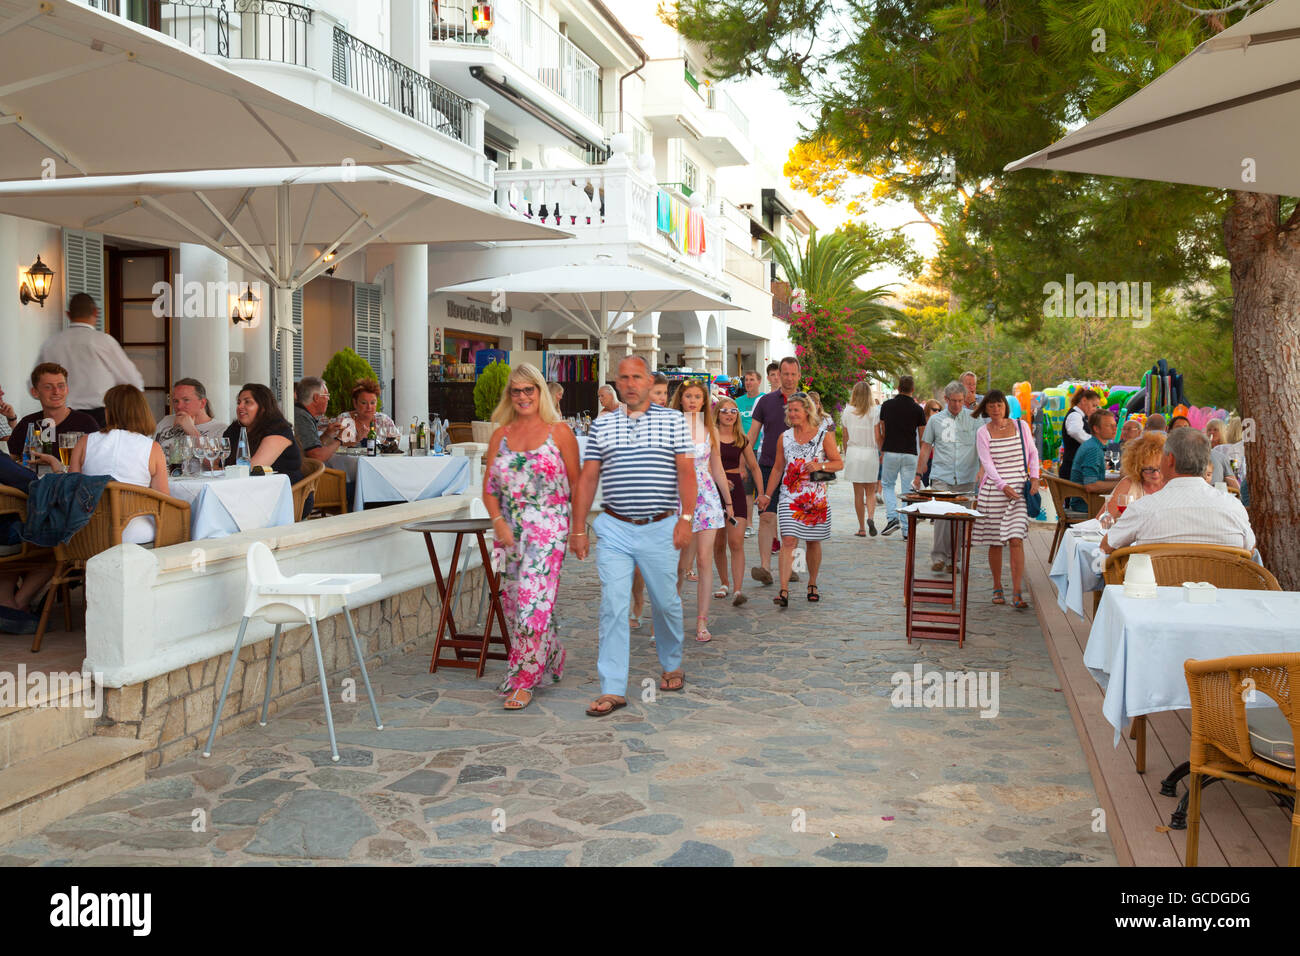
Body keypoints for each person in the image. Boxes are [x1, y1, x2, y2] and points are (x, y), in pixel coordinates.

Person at [570, 356, 696, 717]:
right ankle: (613, 688)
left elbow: (686, 472)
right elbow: (588, 478)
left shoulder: (673, 420)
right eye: (623, 378)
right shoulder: (602, 425)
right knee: (613, 604)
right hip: (615, 528)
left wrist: (685, 518)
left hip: (660, 526)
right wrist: (578, 528)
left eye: (636, 377)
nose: (629, 384)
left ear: (648, 381)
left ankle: (671, 662)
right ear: (617, 383)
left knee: (665, 602)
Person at [482, 362, 579, 711]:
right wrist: (498, 522)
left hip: (549, 527)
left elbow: (578, 484)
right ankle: (551, 651)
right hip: (508, 531)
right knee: (512, 604)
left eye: (529, 389)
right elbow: (489, 489)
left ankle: (523, 679)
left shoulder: (560, 432)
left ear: (540, 392)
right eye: (516, 390)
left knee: (531, 603)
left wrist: (578, 530)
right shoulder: (500, 435)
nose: (523, 396)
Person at [1101, 428, 1254, 553]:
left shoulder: (1143, 508)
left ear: (1170, 460)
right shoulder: (1233, 507)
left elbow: (1106, 546)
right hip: (1221, 588)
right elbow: (1250, 549)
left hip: (1159, 588)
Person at [49, 384, 168, 545]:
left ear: (109, 411)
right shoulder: (152, 448)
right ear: (142, 412)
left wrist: (57, 470)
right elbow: (163, 501)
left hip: (86, 531)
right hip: (132, 532)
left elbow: (71, 489)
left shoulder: (85, 442)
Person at [758, 392, 843, 606]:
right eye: (790, 410)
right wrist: (768, 495)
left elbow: (838, 463)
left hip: (815, 497)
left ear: (807, 411)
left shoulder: (824, 435)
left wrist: (820, 466)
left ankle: (812, 582)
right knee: (788, 540)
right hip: (789, 495)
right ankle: (784, 589)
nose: (792, 414)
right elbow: (778, 469)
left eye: (796, 410)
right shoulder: (784, 437)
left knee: (813, 542)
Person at [670, 380, 731, 642]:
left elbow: (716, 467)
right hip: (678, 497)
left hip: (706, 498)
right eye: (688, 396)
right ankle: (668, 616)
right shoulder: (670, 428)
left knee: (705, 560)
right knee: (680, 565)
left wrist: (728, 503)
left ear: (705, 401)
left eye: (698, 396)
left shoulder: (710, 430)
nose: (693, 400)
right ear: (680, 399)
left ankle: (702, 621)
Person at [973, 389, 1040, 610]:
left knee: (1016, 539)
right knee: (995, 541)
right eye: (991, 405)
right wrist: (1002, 485)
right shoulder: (983, 432)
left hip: (1020, 488)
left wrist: (1036, 477)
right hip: (995, 489)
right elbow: (987, 462)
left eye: (999, 404)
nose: (995, 409)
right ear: (985, 408)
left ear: (1005, 406)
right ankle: (996, 585)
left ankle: (1018, 590)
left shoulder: (1021, 426)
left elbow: (1032, 453)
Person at [38, 293, 144, 427]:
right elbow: (134, 381)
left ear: (68, 314)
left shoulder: (51, 343)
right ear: (96, 312)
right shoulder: (103, 341)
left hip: (61, 415)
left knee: (64, 447)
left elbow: (34, 384)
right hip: (99, 417)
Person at [912, 381, 981, 570]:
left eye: (960, 401)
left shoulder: (975, 419)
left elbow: (983, 445)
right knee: (941, 517)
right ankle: (939, 558)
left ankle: (953, 559)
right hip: (942, 476)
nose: (957, 405)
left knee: (960, 519)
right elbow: (926, 447)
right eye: (953, 401)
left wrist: (983, 471)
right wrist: (918, 474)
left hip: (966, 477)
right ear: (946, 399)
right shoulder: (935, 420)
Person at [747, 356, 802, 585]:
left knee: (796, 521)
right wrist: (744, 459)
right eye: (784, 373)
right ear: (778, 374)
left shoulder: (807, 402)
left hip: (797, 471)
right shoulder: (766, 402)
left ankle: (795, 566)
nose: (788, 378)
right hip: (768, 466)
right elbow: (752, 433)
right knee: (767, 516)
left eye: (792, 374)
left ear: (799, 376)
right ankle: (765, 567)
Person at [711, 396, 763, 607]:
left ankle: (738, 589)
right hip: (714, 491)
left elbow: (754, 467)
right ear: (717, 414)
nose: (730, 414)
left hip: (737, 490)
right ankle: (724, 582)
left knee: (736, 542)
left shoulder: (742, 439)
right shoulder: (710, 437)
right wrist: (719, 480)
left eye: (733, 411)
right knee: (718, 542)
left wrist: (762, 493)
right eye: (725, 411)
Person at [5, 363, 99, 459]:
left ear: (67, 389)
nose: (56, 392)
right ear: (35, 392)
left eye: (61, 386)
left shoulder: (86, 423)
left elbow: (98, 462)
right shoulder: (27, 423)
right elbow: (10, 460)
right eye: (48, 387)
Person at [0, 456, 50, 634]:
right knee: (55, 542)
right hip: (4, 536)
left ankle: (7, 604)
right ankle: (17, 606)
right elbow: (30, 481)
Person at [877, 375, 926, 540]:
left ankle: (892, 518)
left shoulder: (887, 405)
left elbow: (882, 430)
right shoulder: (918, 410)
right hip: (910, 454)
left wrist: (882, 450)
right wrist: (922, 459)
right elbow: (922, 436)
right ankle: (906, 530)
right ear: (913, 389)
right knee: (907, 492)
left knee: (888, 485)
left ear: (898, 388)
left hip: (891, 450)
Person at [222, 384, 304, 484]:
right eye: (239, 402)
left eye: (247, 402)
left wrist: (224, 470)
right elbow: (217, 463)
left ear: (263, 407)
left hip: (282, 492)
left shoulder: (278, 430)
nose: (240, 407)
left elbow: (253, 468)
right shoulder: (235, 429)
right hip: (244, 487)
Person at [843, 381, 882, 537]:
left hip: (854, 452)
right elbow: (877, 435)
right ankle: (871, 517)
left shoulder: (847, 412)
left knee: (858, 494)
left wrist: (847, 453)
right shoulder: (874, 412)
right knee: (871, 492)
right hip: (870, 452)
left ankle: (861, 528)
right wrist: (881, 451)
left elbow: (845, 436)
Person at [1100, 431, 1166, 522]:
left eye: (1159, 468)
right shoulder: (1128, 484)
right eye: (1149, 469)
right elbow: (1102, 521)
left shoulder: (1173, 485)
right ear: (1137, 467)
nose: (1156, 474)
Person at [154, 378, 227, 453]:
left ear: (202, 403)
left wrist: (191, 430)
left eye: (186, 400)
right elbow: (148, 451)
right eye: (176, 401)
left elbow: (214, 461)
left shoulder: (220, 429)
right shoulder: (166, 420)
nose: (179, 406)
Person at [292, 376, 345, 463]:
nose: (328, 399)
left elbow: (310, 447)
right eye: (327, 395)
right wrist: (340, 440)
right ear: (316, 397)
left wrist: (327, 434)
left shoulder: (302, 413)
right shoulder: (301, 417)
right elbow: (316, 456)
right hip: (301, 474)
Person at [1070, 408, 1119, 495]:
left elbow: (1097, 478)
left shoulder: (1093, 444)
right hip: (1087, 504)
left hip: (1091, 501)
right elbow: (1091, 485)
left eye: (1115, 425)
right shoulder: (1093, 449)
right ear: (1096, 429)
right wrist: (1121, 484)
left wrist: (1122, 480)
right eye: (1109, 425)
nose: (1115, 429)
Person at [336, 378, 396, 448]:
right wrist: (357, 439)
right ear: (355, 403)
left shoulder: (384, 420)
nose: (369, 407)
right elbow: (335, 445)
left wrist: (388, 445)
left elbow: (396, 439)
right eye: (364, 403)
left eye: (373, 403)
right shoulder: (344, 419)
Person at [1059, 387, 1101, 483]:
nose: (1095, 409)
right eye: (1093, 405)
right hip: (1071, 469)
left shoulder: (1081, 416)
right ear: (1084, 400)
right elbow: (1075, 431)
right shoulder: (1075, 415)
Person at [1209, 415, 1247, 498]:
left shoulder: (1221, 449)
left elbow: (1234, 471)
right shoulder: (1241, 448)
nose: (1212, 432)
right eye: (1209, 429)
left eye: (1215, 429)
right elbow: (1234, 472)